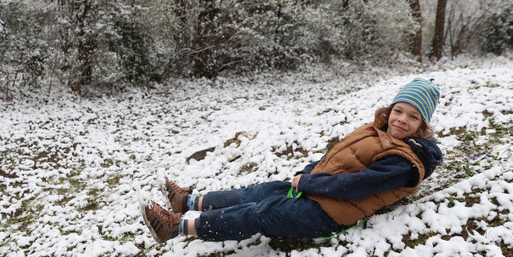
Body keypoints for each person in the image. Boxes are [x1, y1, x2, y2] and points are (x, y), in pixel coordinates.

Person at [140, 78, 444, 243]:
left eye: (413, 116)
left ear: (422, 125)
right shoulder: (375, 131)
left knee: (261, 212)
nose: (402, 119)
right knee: (258, 192)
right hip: (318, 190)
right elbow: (335, 155)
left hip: (329, 213)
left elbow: (355, 186)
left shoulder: (405, 163)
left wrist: (308, 181)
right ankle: (188, 202)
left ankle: (177, 228)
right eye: (399, 110)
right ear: (391, 110)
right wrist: (307, 171)